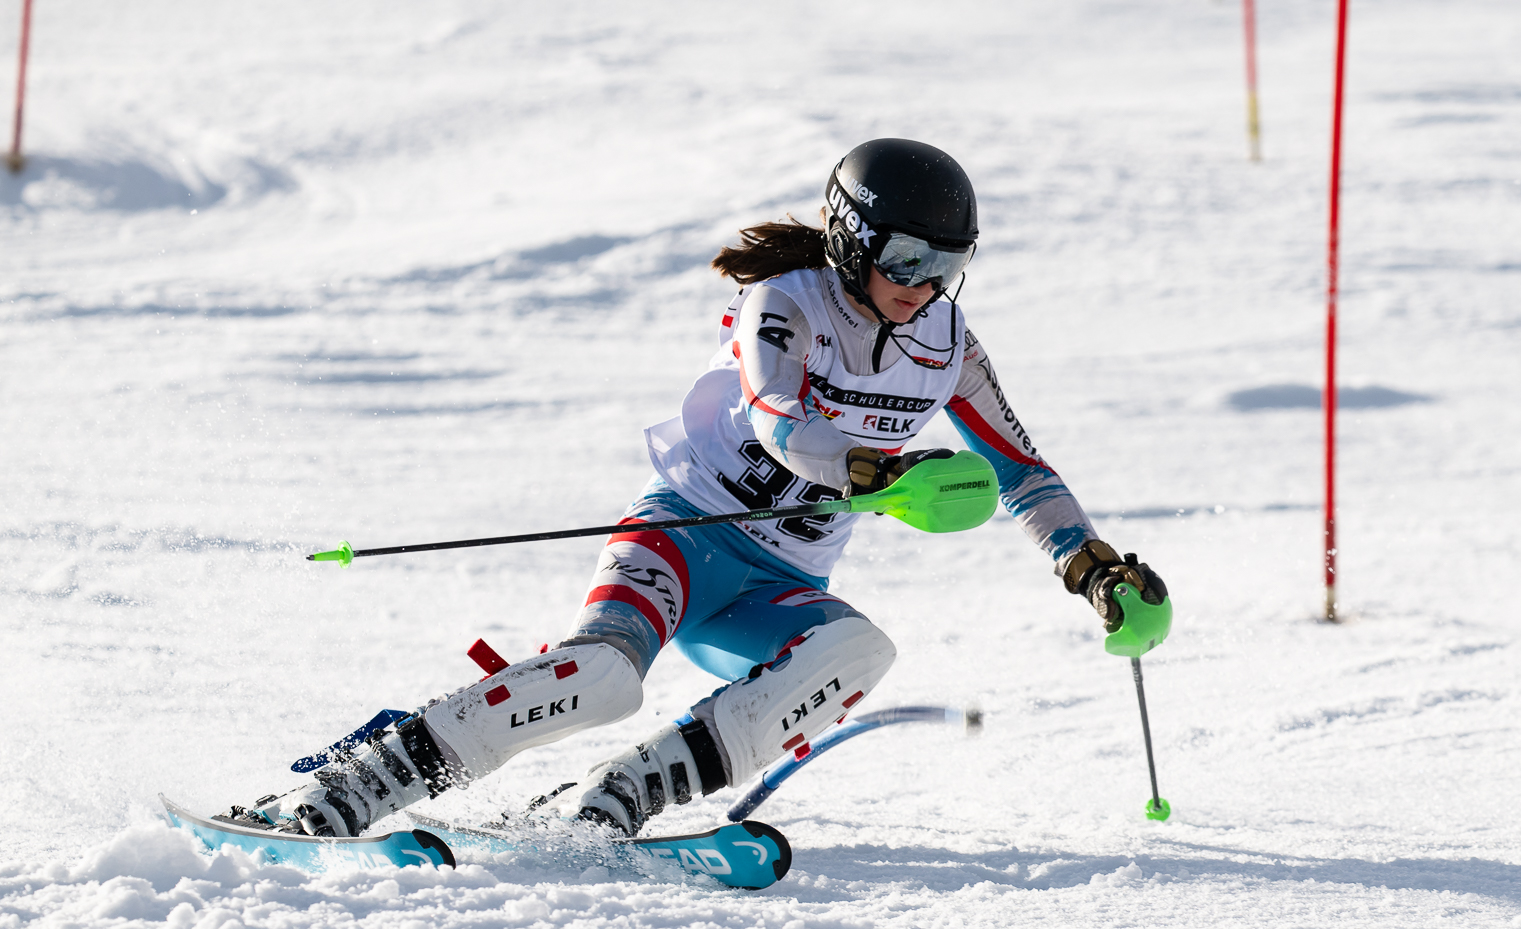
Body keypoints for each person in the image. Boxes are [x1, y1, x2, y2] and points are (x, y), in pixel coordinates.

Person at [236, 138, 1168, 838]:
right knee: (602, 676)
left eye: (948, 268)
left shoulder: (948, 351)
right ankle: (363, 779)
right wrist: (880, 477)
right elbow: (779, 421)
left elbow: (1022, 470)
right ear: (852, 239)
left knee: (856, 651)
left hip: (777, 581)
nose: (923, 288)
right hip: (683, 533)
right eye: (907, 261)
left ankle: (624, 792)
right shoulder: (790, 301)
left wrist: (1090, 568)